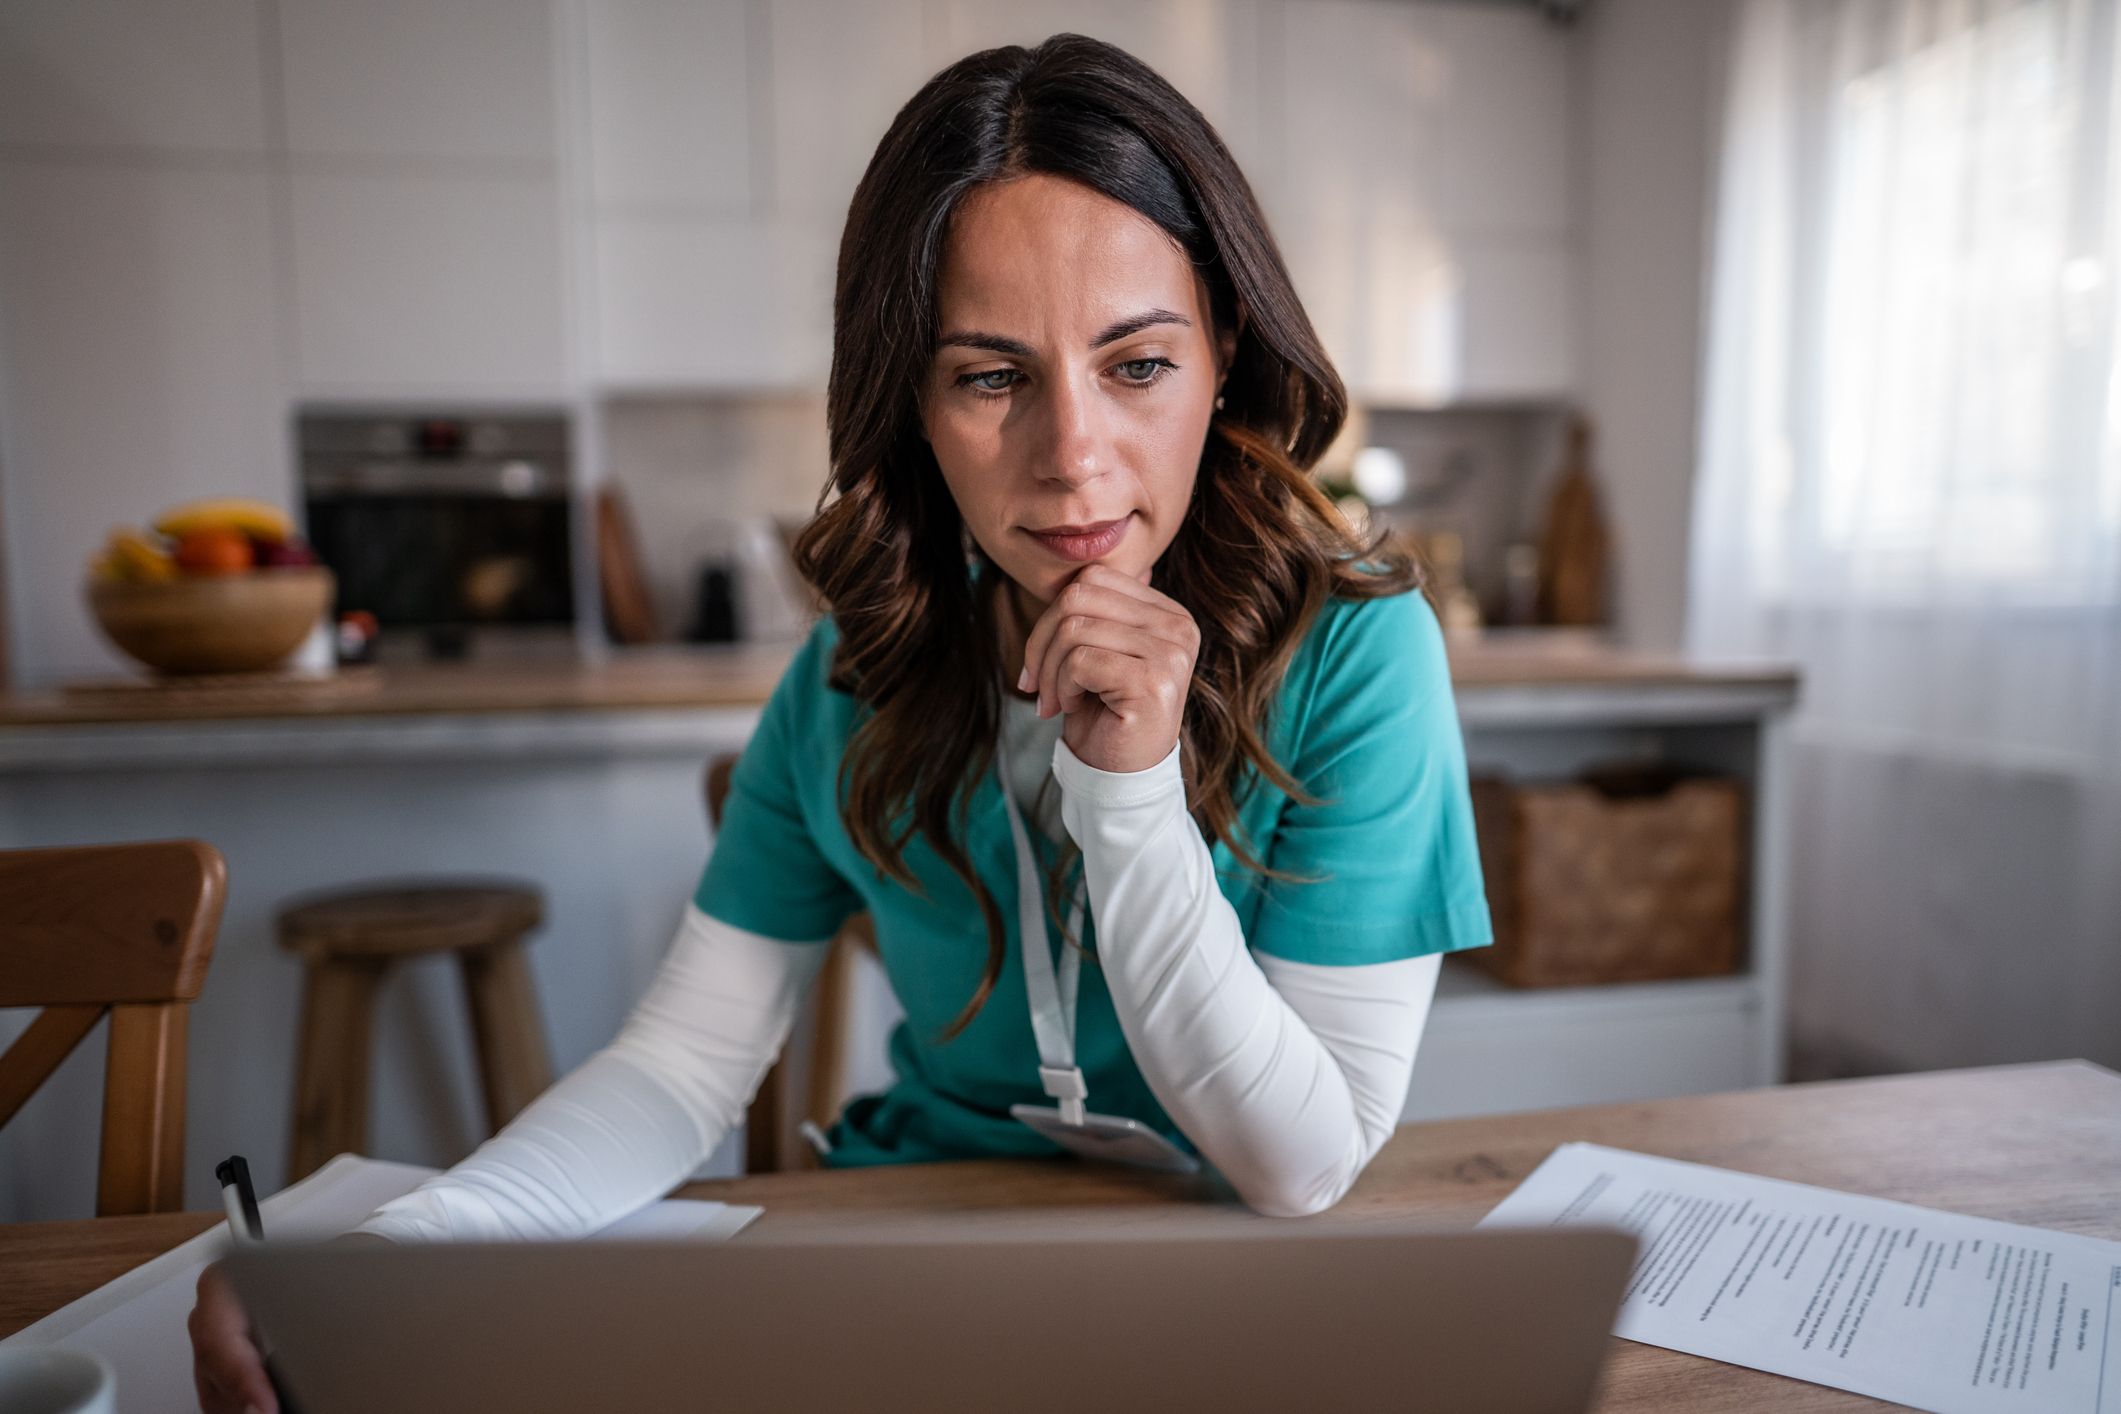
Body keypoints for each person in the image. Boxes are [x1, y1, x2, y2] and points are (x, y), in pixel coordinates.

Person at [190, 32, 1492, 1413]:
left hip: (1232, 1294)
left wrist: (1129, 790)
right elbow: (682, 1065)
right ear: (911, 400)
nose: (1072, 457)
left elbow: (1300, 1165)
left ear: (1223, 349)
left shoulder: (1357, 651)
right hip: (914, 1251)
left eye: (1137, 364)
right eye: (990, 377)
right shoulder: (850, 675)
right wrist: (404, 1253)